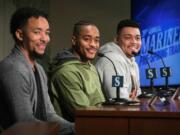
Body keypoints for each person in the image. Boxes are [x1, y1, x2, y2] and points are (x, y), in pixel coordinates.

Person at [0, 7, 74, 135]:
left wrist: (76, 127)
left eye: (47, 32)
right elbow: (25, 122)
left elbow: (49, 114)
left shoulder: (39, 69)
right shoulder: (13, 68)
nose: (45, 39)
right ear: (20, 35)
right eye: (37, 32)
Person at [49, 21, 105, 122]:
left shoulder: (90, 66)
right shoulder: (66, 72)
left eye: (96, 40)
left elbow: (98, 102)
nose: (93, 44)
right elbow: (84, 114)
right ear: (74, 40)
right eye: (87, 39)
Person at [95, 19, 142, 101]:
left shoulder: (133, 63)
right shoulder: (113, 60)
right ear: (116, 39)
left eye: (137, 38)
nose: (134, 42)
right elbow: (119, 100)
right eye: (128, 38)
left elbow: (137, 95)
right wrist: (133, 100)